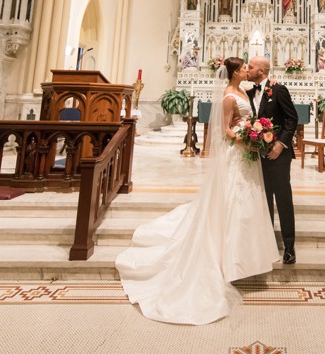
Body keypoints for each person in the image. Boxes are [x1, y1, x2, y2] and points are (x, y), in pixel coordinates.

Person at [116, 57, 278, 324]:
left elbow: (248, 114)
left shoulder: (243, 91)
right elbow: (226, 131)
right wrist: (246, 140)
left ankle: (244, 256)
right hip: (236, 153)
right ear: (235, 72)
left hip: (246, 157)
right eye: (244, 68)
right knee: (231, 200)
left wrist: (255, 131)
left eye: (249, 67)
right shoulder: (228, 96)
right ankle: (228, 257)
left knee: (245, 200)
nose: (248, 70)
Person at [246, 56, 299, 265]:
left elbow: (291, 118)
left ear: (261, 71)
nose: (248, 69)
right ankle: (266, 245)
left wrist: (280, 144)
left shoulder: (278, 90)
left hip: (278, 155)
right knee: (264, 199)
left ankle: (289, 247)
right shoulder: (248, 93)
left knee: (283, 199)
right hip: (257, 155)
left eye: (251, 66)